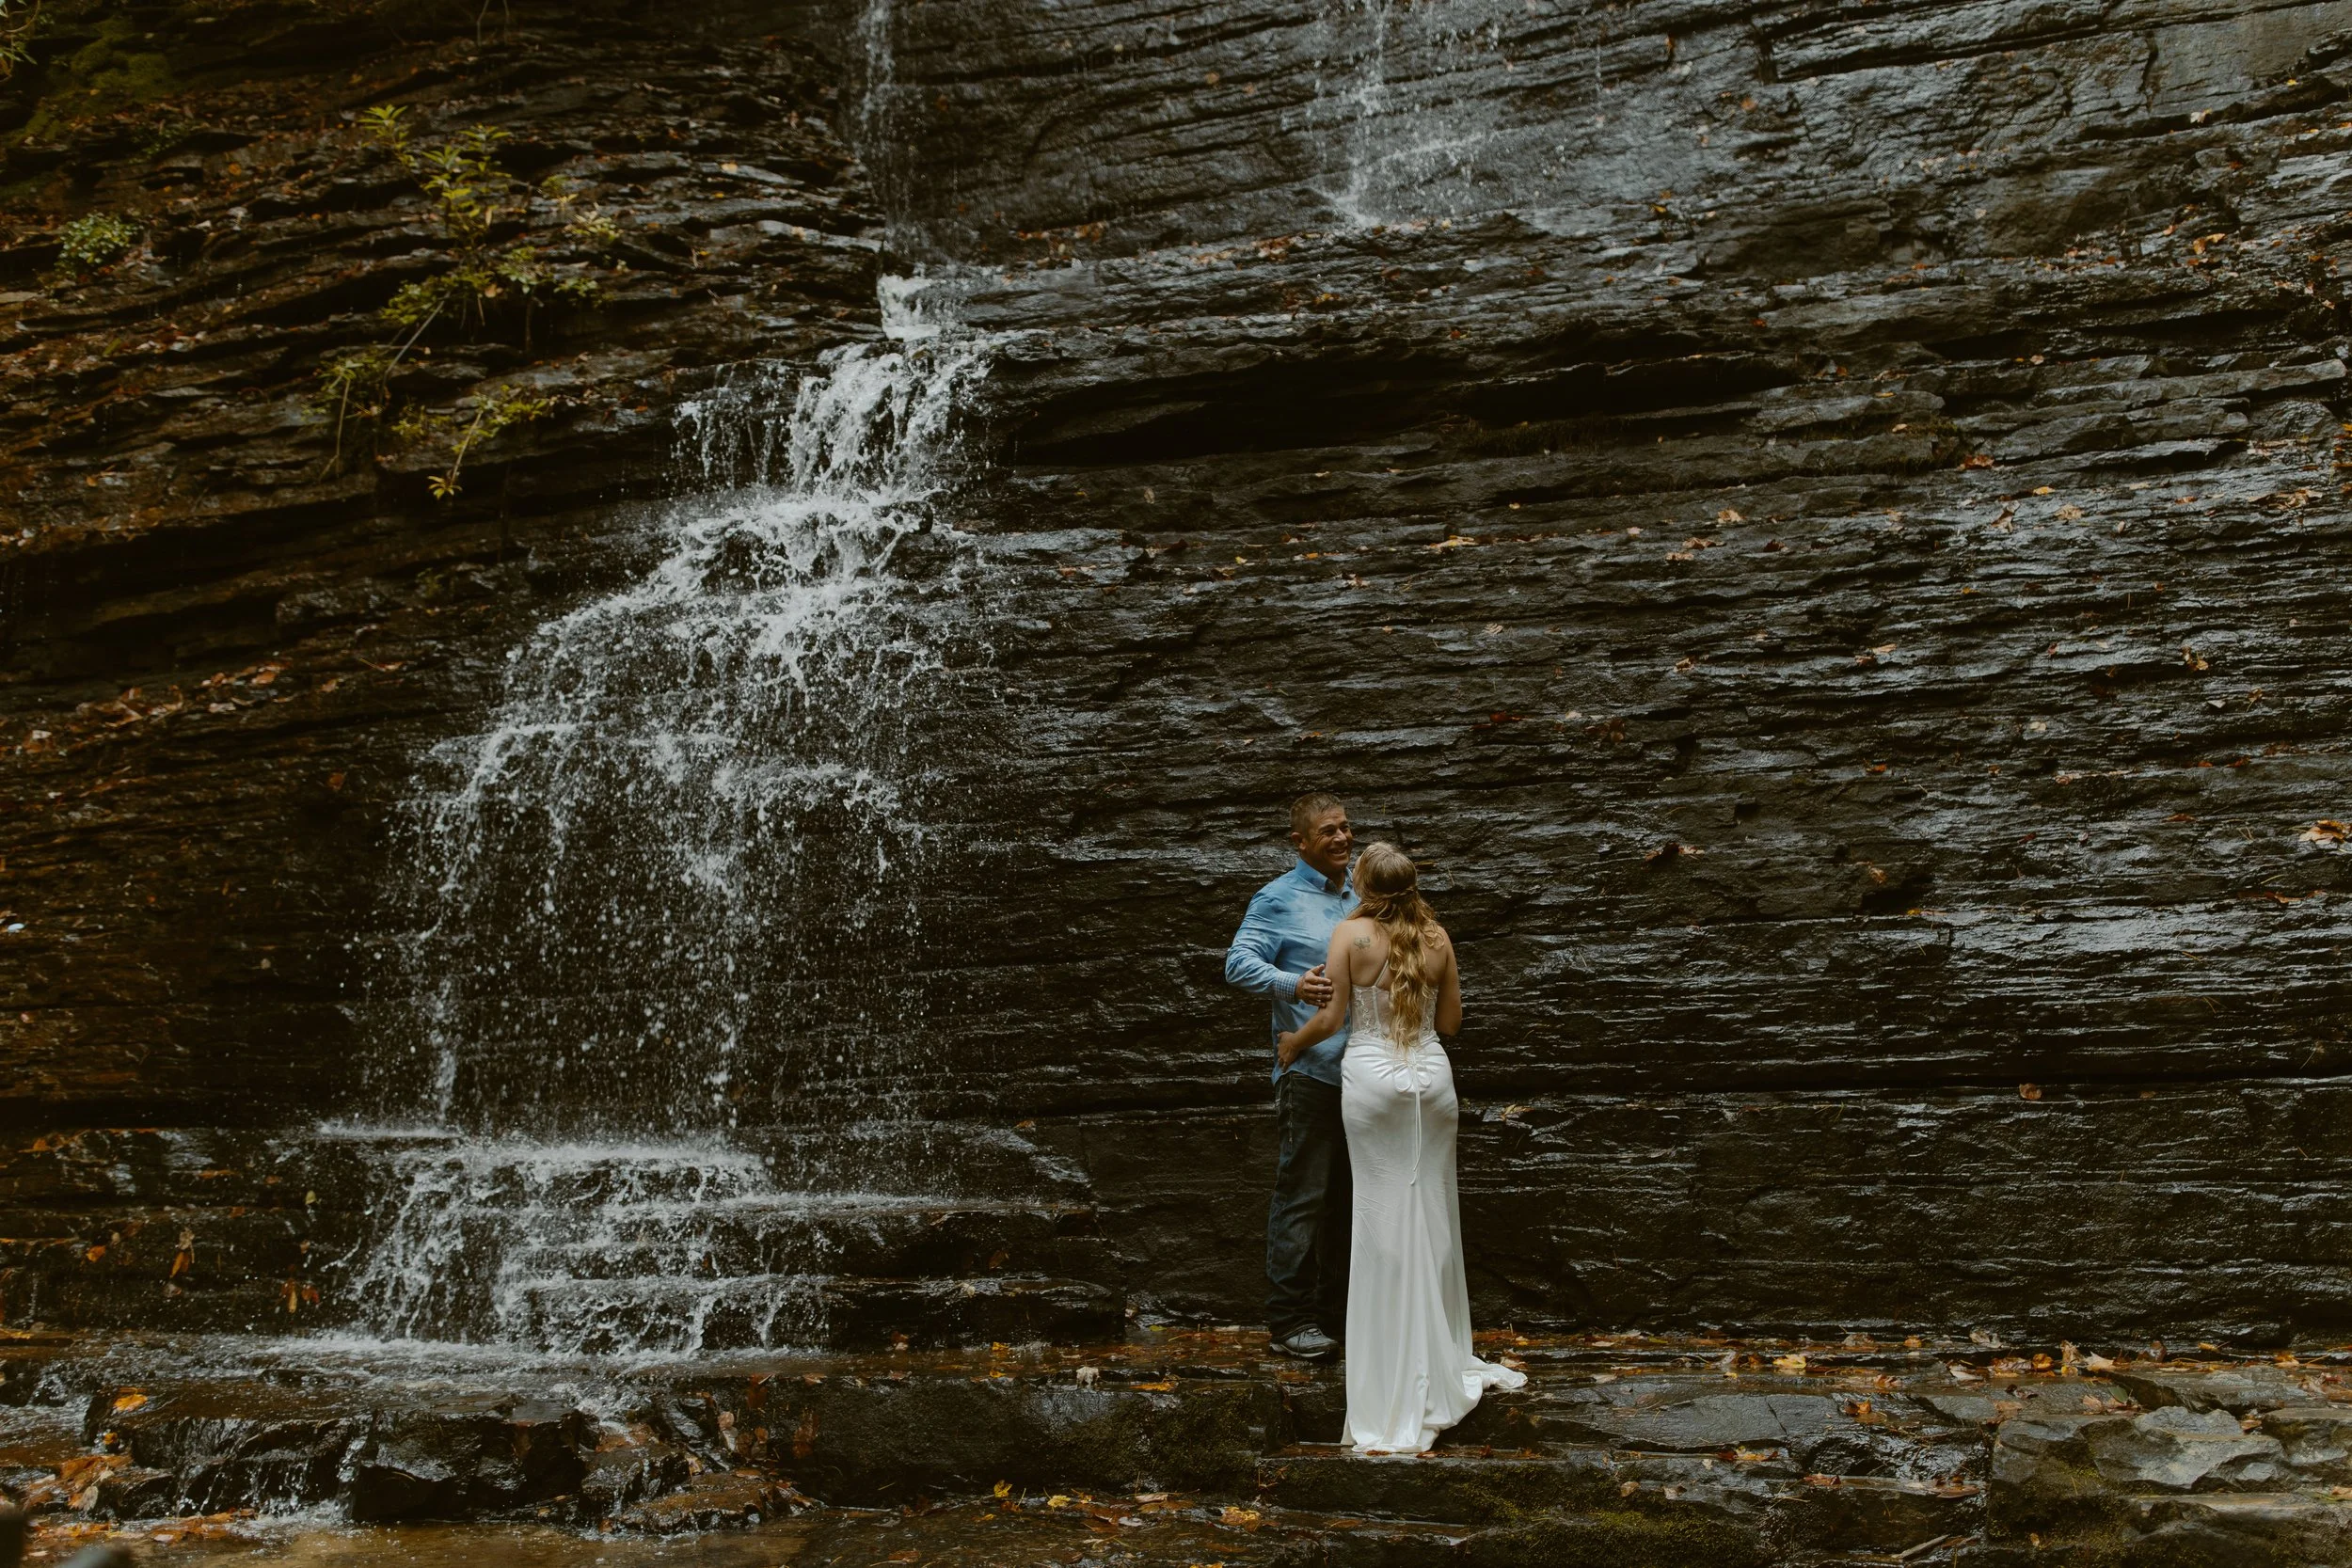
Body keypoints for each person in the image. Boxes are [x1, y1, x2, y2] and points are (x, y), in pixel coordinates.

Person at [1277, 840, 1525, 1452]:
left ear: (1365, 886)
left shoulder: (1351, 935)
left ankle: (1389, 1359)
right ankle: (1437, 1350)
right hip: (1431, 1085)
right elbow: (1450, 1024)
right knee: (1433, 1214)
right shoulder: (1437, 937)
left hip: (1372, 1082)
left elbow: (1332, 1020)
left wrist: (1292, 1042)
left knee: (1381, 1217)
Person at [1225, 791, 1357, 1361]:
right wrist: (1292, 985)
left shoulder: (1365, 895)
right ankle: (1289, 1322)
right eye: (1328, 831)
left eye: (1347, 828)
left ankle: (1338, 1319)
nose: (1342, 839)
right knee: (1304, 1196)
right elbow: (1238, 963)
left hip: (1371, 1075)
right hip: (1312, 1072)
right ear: (1299, 842)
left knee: (1353, 1201)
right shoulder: (1276, 899)